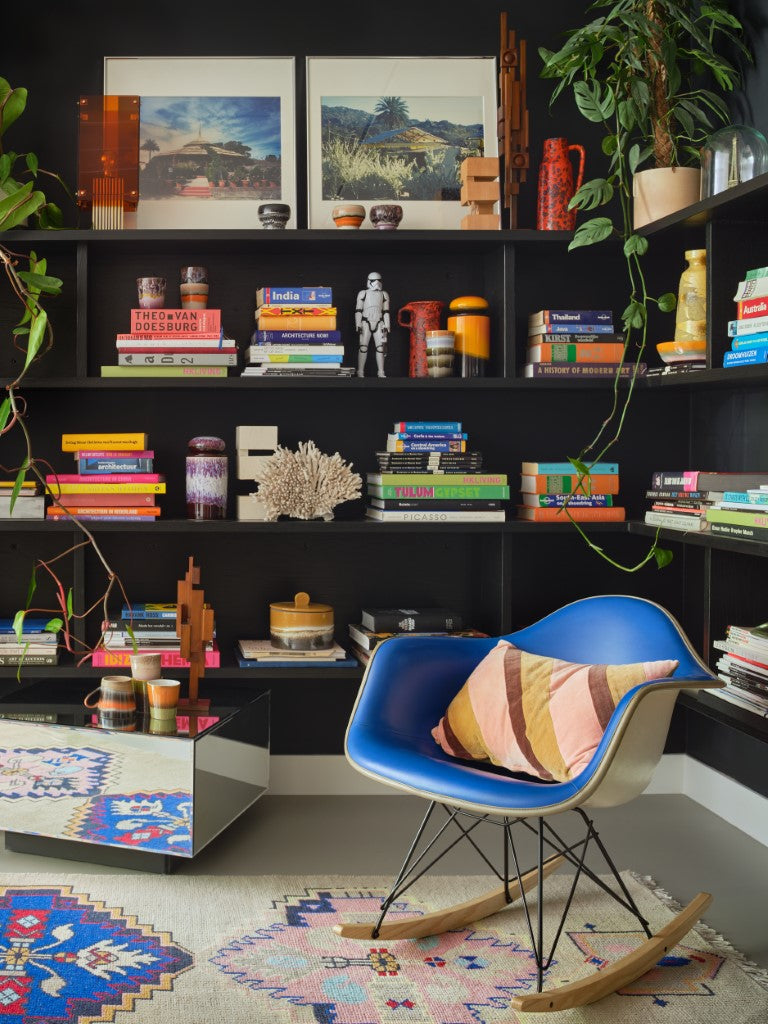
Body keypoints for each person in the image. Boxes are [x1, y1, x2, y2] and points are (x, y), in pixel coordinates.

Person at [355, 271, 390, 377]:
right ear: (369, 281)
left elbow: (386, 311)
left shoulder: (384, 294)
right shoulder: (363, 293)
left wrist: (387, 325)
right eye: (374, 281)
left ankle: (381, 371)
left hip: (379, 322)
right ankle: (360, 371)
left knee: (380, 348)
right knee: (363, 347)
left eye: (379, 281)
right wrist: (358, 324)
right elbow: (358, 310)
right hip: (366, 321)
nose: (377, 283)